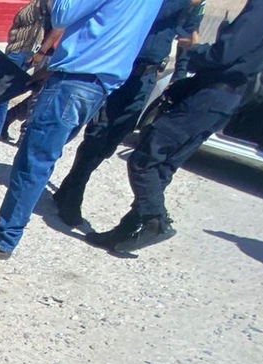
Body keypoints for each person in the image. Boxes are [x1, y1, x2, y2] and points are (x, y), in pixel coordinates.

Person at [0, 0, 166, 260]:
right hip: (98, 83)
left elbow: (61, 13)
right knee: (41, 158)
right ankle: (6, 232)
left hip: (75, 80)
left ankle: (4, 238)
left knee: (33, 161)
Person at [87, 0, 263, 252]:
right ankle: (128, 230)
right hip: (224, 99)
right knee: (164, 165)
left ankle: (155, 220)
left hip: (212, 96)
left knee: (146, 157)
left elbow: (226, 52)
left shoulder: (262, 6)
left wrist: (195, 49)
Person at [51, 0, 206, 226]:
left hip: (147, 76)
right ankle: (74, 192)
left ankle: (69, 186)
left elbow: (187, 36)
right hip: (123, 67)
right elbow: (154, 13)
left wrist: (180, 77)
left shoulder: (193, 4)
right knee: (99, 130)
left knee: (114, 137)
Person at [0, 0, 56, 149]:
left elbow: (57, 27)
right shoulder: (39, 4)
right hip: (21, 51)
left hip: (22, 51)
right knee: (4, 93)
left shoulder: (47, 4)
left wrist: (41, 52)